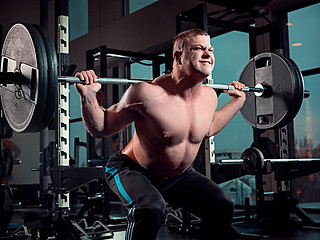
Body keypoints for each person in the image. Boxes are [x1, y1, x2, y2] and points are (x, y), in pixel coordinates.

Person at [75, 28, 246, 240]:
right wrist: (88, 97)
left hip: (178, 176)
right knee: (150, 208)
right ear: (178, 56)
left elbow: (207, 128)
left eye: (210, 49)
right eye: (198, 49)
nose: (208, 54)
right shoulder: (147, 93)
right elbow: (100, 128)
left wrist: (237, 101)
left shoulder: (210, 97)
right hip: (132, 169)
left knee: (221, 205)